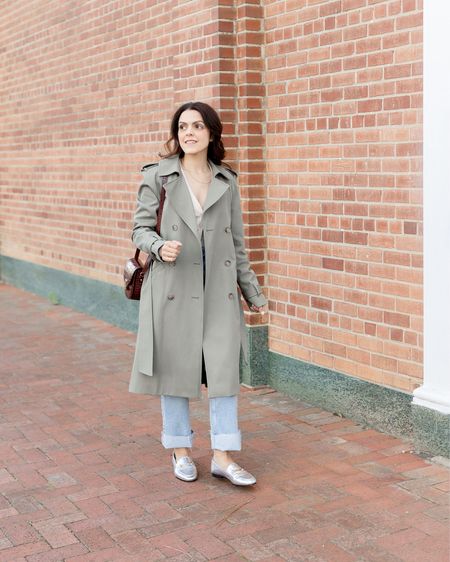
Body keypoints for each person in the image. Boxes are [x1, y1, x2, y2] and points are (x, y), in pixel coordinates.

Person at [129, 101, 267, 486]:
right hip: (172, 287)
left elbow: (237, 245)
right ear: (176, 135)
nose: (189, 132)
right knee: (173, 370)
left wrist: (252, 293)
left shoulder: (227, 181)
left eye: (198, 126)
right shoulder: (158, 176)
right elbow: (139, 229)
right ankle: (180, 448)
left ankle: (223, 455)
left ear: (211, 133)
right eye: (183, 126)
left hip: (218, 291)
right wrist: (158, 246)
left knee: (223, 372)